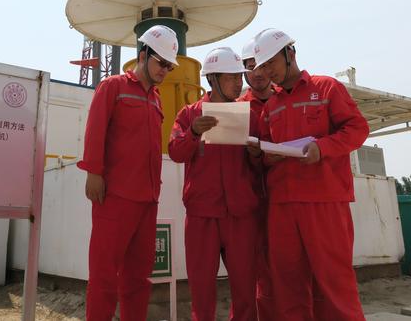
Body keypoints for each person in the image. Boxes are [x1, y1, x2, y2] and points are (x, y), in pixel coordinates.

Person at [253, 28, 369, 321]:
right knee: (288, 284)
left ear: (290, 54)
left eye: (271, 63)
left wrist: (322, 148)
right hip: (282, 205)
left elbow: (357, 129)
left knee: (333, 282)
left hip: (324, 201)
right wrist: (265, 155)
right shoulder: (271, 106)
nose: (267, 72)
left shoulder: (327, 88)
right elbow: (267, 149)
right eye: (262, 66)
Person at [78, 25, 179, 321]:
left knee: (138, 277)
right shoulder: (113, 86)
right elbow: (95, 128)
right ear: (143, 54)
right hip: (115, 197)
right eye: (161, 63)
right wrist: (94, 172)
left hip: (148, 199)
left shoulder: (156, 98)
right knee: (104, 275)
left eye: (170, 66)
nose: (165, 70)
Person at [168, 47, 261, 321]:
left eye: (239, 77)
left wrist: (257, 154)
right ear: (212, 79)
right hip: (202, 215)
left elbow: (262, 164)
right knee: (201, 291)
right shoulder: (189, 115)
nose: (238, 83)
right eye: (231, 77)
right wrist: (194, 132)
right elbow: (175, 152)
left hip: (240, 215)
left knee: (246, 290)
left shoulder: (250, 116)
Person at [238, 37, 275, 320]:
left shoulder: (288, 99)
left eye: (262, 65)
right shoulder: (238, 109)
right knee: (262, 272)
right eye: (251, 67)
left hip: (289, 198)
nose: (258, 73)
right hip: (252, 205)